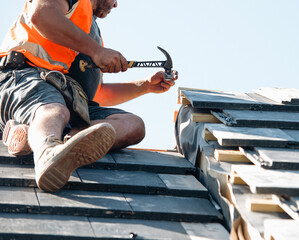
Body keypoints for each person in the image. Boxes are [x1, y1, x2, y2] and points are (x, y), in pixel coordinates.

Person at [0, 0, 178, 192]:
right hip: (22, 78)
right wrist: (96, 51)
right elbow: (41, 15)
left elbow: (97, 94)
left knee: (133, 125)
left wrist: (145, 86)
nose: (115, 4)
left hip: (67, 98)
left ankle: (51, 140)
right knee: (55, 110)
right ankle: (47, 153)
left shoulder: (91, 34)